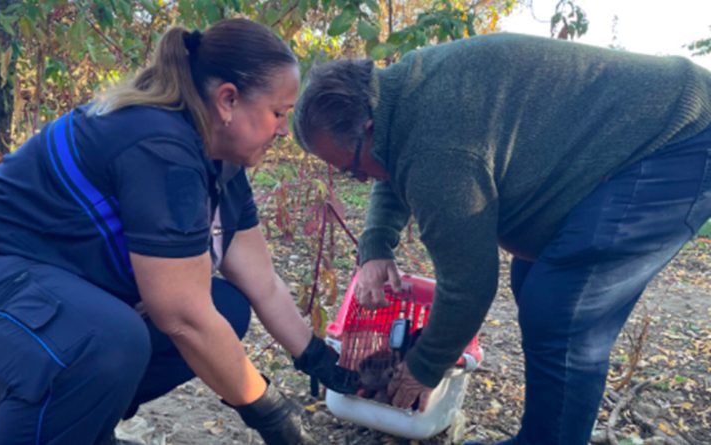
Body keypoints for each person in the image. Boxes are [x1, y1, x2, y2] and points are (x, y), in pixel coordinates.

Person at [0, 19, 358, 445]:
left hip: (24, 291)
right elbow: (181, 317)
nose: (284, 130)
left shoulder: (217, 160)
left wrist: (319, 360)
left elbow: (261, 282)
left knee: (226, 309)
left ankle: (82, 427)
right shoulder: (157, 144)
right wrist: (271, 411)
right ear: (227, 100)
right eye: (278, 113)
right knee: (108, 338)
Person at [292, 32, 711, 445]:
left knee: (561, 312)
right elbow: (389, 156)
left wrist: (422, 367)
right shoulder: (397, 98)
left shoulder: (438, 152)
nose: (361, 179)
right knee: (532, 285)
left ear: (365, 125)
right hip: (629, 142)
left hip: (677, 137)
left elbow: (468, 287)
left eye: (353, 169)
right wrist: (377, 243)